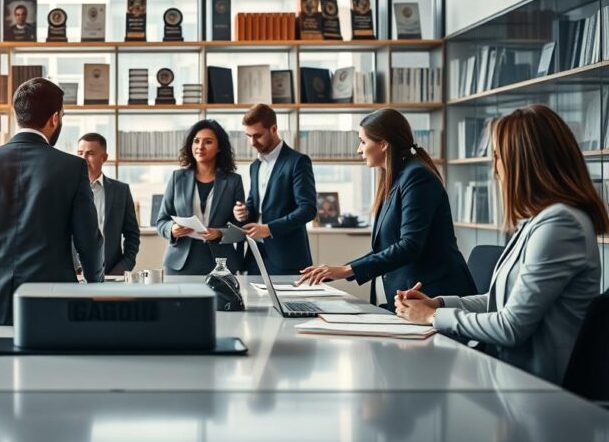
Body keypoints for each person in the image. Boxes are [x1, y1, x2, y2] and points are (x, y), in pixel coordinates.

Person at [395, 105, 607, 384]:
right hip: (507, 375)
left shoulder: (560, 225)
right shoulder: (537, 220)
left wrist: (433, 318)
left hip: (536, 389)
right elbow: (500, 301)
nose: (495, 169)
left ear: (524, 161)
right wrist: (438, 303)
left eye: (497, 156)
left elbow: (511, 326)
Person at [0, 78, 104, 325]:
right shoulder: (72, 167)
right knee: (51, 364)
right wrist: (95, 285)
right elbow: (88, 240)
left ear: (17, 114)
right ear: (55, 118)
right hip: (51, 300)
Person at [296, 108, 476, 306]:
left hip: (435, 295)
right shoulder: (396, 178)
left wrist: (347, 271)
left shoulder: (417, 177)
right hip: (413, 295)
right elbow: (388, 247)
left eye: (363, 142)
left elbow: (409, 246)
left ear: (383, 144)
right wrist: (341, 270)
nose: (358, 150)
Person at [233, 104, 317, 275]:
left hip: (287, 257)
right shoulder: (255, 166)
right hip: (255, 256)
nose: (252, 142)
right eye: (248, 136)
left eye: (257, 136)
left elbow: (308, 210)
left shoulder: (298, 162)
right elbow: (254, 204)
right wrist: (242, 211)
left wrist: (269, 228)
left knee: (288, 303)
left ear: (274, 129)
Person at [156, 120, 245, 275]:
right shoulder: (177, 178)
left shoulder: (233, 181)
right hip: (180, 264)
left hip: (221, 264)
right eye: (196, 141)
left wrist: (220, 233)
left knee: (221, 300)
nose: (200, 146)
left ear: (219, 148)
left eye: (208, 142)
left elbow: (240, 228)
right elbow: (162, 221)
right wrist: (172, 229)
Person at [76, 133, 140, 275]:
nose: (83, 159)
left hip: (111, 274)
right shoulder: (66, 190)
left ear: (104, 158)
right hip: (74, 275)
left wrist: (122, 269)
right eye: (80, 153)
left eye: (90, 154)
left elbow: (132, 236)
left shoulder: (121, 191)